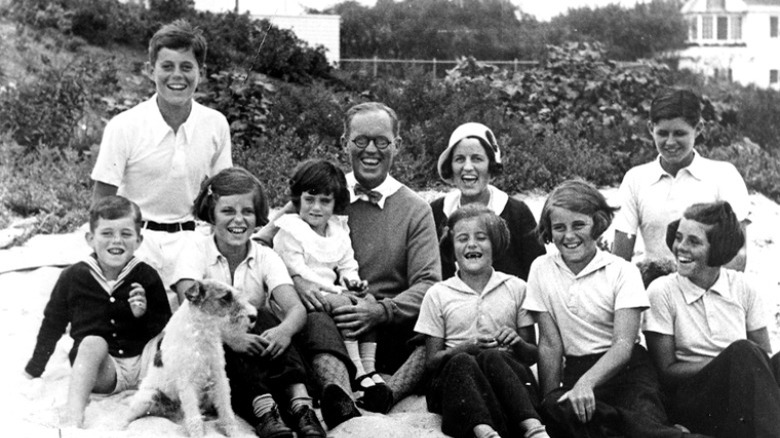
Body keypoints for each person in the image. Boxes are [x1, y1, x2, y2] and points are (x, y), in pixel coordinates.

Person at [255, 102, 441, 421]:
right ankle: (338, 394)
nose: (371, 150)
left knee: (439, 329)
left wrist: (381, 311)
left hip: (386, 325)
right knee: (314, 320)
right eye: (360, 140)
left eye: (382, 141)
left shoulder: (415, 209)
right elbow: (262, 243)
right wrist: (296, 282)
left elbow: (429, 283)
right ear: (344, 143)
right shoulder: (321, 192)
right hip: (327, 317)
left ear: (397, 144)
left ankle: (388, 392)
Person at [523, 180, 691, 438]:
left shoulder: (622, 271)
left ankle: (655, 429)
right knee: (557, 411)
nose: (568, 236)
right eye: (559, 227)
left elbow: (623, 345)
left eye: (579, 225)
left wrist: (586, 384)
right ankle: (659, 431)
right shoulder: (540, 268)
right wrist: (549, 403)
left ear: (598, 223)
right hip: (577, 368)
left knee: (641, 424)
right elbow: (549, 344)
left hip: (628, 371)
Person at [171, 167, 326, 438]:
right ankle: (263, 411)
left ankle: (301, 405)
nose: (238, 220)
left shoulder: (264, 256)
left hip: (259, 355)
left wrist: (284, 331)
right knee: (226, 328)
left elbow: (295, 308)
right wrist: (232, 338)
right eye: (228, 211)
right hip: (209, 352)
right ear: (211, 214)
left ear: (258, 218)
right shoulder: (196, 248)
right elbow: (190, 300)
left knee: (266, 317)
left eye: (247, 212)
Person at [90, 19, 232, 308]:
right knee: (134, 315)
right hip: (138, 239)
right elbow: (102, 201)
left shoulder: (215, 124)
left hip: (192, 237)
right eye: (167, 66)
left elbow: (225, 193)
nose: (177, 76)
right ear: (150, 70)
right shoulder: (125, 126)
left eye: (186, 67)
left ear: (200, 73)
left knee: (197, 315)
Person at [23, 196, 171, 428]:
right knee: (91, 343)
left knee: (170, 339)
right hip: (106, 371)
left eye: (125, 233)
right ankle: (73, 418)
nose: (116, 240)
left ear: (139, 240)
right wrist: (35, 368)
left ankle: (173, 400)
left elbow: (164, 322)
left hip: (146, 365)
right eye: (107, 233)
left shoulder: (146, 275)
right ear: (90, 239)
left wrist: (143, 314)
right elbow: (52, 323)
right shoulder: (73, 277)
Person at [643, 201, 780, 438]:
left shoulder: (743, 288)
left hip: (740, 388)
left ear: (718, 249)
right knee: (743, 352)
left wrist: (736, 364)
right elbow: (665, 371)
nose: (680, 248)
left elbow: (763, 355)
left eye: (694, 241)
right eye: (679, 237)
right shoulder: (663, 291)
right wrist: (727, 363)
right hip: (691, 398)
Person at [415, 205, 549, 438]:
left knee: (492, 355)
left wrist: (516, 342)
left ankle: (534, 430)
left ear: (495, 245)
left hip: (507, 382)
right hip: (457, 386)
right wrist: (463, 349)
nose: (472, 244)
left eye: (481, 238)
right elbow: (431, 363)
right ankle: (484, 433)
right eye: (462, 239)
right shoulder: (438, 294)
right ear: (451, 246)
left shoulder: (516, 288)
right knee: (463, 361)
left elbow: (530, 354)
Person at [272, 159, 390, 395]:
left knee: (368, 304)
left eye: (324, 201)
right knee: (348, 305)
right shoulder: (291, 231)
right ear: (298, 199)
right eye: (309, 199)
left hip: (331, 291)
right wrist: (337, 292)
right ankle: (357, 369)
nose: (316, 207)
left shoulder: (337, 230)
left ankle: (369, 366)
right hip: (303, 295)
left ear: (335, 203)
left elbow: (347, 264)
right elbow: (295, 270)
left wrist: (353, 283)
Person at [612, 89, 749, 271]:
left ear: (698, 128)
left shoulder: (724, 175)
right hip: (654, 288)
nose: (670, 142)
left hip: (707, 290)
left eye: (679, 133)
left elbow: (737, 255)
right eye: (662, 133)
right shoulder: (636, 179)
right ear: (650, 129)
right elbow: (620, 257)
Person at [430, 122, 545, 280]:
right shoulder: (436, 212)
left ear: (491, 167)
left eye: (477, 159)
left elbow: (538, 274)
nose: (468, 167)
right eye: (459, 159)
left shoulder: (517, 213)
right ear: (450, 167)